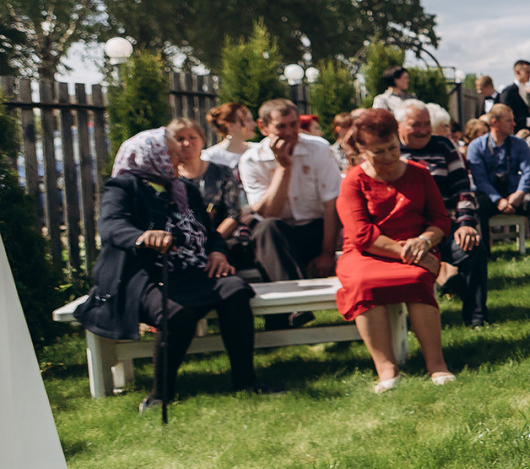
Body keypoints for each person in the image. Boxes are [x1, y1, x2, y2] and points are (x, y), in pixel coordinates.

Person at [77, 128, 260, 411]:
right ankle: (160, 394)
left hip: (191, 269)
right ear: (153, 156)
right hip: (145, 274)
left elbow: (209, 232)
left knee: (235, 290)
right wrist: (141, 237)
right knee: (176, 312)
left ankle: (246, 383)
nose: (180, 158)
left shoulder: (184, 187)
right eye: (172, 154)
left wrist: (217, 252)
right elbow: (111, 225)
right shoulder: (123, 187)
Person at [336, 109, 456, 393]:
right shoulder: (353, 181)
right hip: (366, 253)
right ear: (361, 149)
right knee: (365, 284)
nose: (390, 157)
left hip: (417, 246)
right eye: (379, 152)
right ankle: (386, 368)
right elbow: (362, 233)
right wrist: (411, 253)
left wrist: (425, 241)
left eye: (393, 148)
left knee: (416, 279)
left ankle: (436, 364)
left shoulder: (419, 173)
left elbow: (440, 220)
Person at [239, 98, 341, 329]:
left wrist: (327, 253)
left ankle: (280, 320)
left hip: (317, 230)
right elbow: (268, 212)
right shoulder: (251, 160)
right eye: (281, 126)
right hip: (277, 237)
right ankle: (298, 305)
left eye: (294, 125)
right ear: (263, 128)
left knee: (270, 238)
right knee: (267, 229)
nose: (289, 132)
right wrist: (284, 167)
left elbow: (331, 204)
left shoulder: (319, 148)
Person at [398, 101, 484, 327]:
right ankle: (404, 323)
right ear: (399, 125)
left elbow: (462, 189)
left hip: (445, 225)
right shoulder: (391, 150)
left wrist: (466, 224)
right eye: (415, 125)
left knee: (472, 248)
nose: (424, 130)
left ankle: (476, 317)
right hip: (405, 231)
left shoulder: (443, 146)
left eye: (427, 124)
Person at [170, 117, 256, 271]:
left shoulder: (221, 171)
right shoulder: (171, 179)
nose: (187, 143)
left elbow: (233, 213)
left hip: (223, 237)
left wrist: (212, 241)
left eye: (192, 137)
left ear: (202, 140)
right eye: (180, 139)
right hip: (185, 242)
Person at [467, 103, 530, 254]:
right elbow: (480, 179)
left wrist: (520, 193)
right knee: (477, 206)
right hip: (488, 195)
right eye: (509, 120)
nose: (514, 124)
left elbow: (528, 171)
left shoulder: (519, 144)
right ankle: (483, 254)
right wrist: (498, 200)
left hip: (513, 192)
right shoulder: (476, 147)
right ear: (494, 123)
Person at [201, 101, 255, 167]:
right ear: (231, 126)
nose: (254, 124)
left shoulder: (259, 150)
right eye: (247, 120)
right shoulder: (211, 157)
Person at [495, 60, 530, 132]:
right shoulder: (508, 92)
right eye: (527, 72)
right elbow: (504, 115)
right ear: (517, 72)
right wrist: (529, 121)